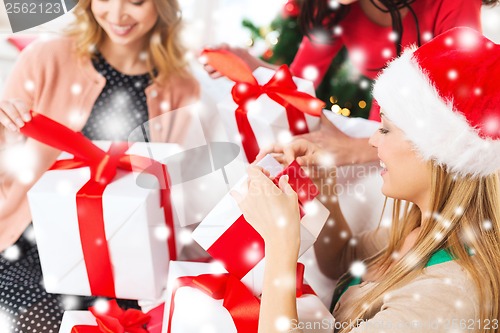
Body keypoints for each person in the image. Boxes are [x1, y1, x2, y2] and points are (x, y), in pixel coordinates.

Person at [233, 27, 500, 332]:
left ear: (437, 152)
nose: (372, 141)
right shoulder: (420, 226)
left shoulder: (445, 294)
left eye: (385, 129)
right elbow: (343, 260)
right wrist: (326, 188)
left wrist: (280, 245)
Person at [0, 0, 199, 330]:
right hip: (30, 245)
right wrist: (5, 126)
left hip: (125, 258)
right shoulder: (45, 57)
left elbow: (177, 193)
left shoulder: (181, 88)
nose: (117, 15)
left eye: (135, 1)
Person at [206, 0, 498, 167]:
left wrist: (357, 150)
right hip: (378, 136)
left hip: (432, 157)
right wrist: (252, 64)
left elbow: (463, 123)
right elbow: (301, 80)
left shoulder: (454, 3)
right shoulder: (337, 7)